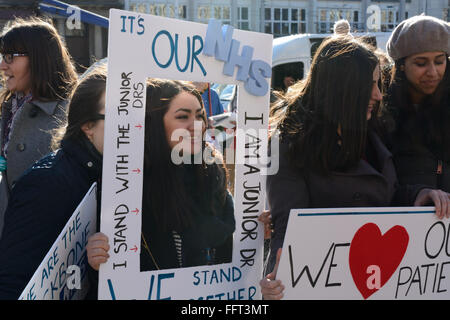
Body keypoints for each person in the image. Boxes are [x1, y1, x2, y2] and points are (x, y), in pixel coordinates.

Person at [260, 36, 450, 299]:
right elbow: (287, 226)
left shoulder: (372, 131)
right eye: (369, 85)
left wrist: (420, 194)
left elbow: (388, 196)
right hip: (325, 288)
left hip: (379, 281)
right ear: (342, 88)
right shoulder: (287, 144)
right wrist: (276, 282)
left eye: (378, 84)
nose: (378, 94)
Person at [87, 78, 235, 279]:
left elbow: (229, 248)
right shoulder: (125, 184)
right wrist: (98, 257)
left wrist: (258, 227)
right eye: (183, 117)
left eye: (200, 116)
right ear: (154, 123)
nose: (196, 126)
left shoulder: (212, 174)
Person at [0, 67, 105, 299]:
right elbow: (13, 282)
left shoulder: (115, 176)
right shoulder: (46, 183)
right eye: (120, 115)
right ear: (87, 126)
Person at [0, 17, 78, 238]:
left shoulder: (71, 111)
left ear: (38, 59)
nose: (2, 65)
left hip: (48, 244)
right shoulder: (8, 109)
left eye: (9, 57)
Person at [383, 15, 450, 192]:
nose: (432, 72)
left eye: (439, 61)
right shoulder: (380, 104)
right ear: (401, 65)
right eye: (421, 63)